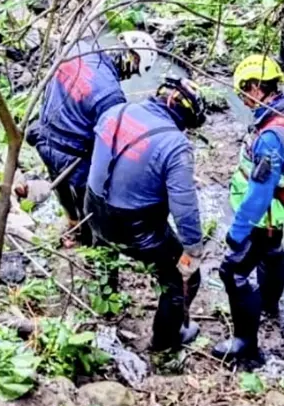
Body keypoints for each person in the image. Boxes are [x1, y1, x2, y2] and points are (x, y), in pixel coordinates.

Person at [86, 77, 207, 352]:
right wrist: (192, 250)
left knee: (104, 250)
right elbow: (184, 206)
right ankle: (164, 342)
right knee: (179, 278)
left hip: (93, 208)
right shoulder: (175, 144)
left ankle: (106, 301)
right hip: (136, 228)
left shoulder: (116, 111)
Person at [213, 54, 284, 369]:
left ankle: (246, 346)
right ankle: (270, 307)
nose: (243, 99)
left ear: (255, 87)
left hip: (261, 216)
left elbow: (259, 193)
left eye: (243, 92)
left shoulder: (271, 138)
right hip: (276, 215)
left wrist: (237, 231)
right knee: (273, 253)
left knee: (232, 272)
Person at [30, 31, 158, 244]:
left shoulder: (78, 47)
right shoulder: (111, 95)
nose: (129, 76)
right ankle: (88, 242)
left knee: (59, 184)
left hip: (43, 137)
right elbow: (108, 145)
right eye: (133, 71)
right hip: (73, 157)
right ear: (133, 60)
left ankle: (71, 221)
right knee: (89, 204)